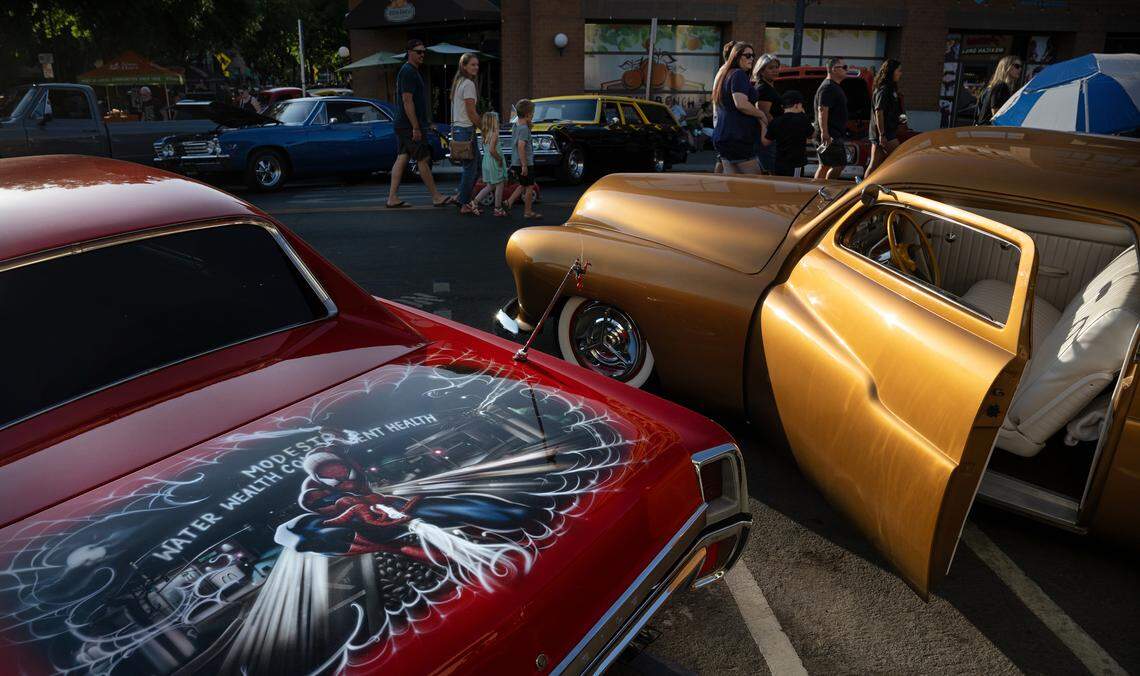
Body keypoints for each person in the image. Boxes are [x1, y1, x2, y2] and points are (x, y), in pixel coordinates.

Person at [387, 39, 454, 209]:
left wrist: (426, 122)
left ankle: (392, 197)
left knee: (402, 158)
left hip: (405, 124)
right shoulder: (408, 71)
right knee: (423, 158)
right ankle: (436, 196)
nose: (422, 54)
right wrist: (416, 127)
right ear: (409, 52)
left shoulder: (411, 71)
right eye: (419, 52)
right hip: (409, 125)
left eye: (424, 51)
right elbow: (407, 100)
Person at [711, 42, 766, 175]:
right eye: (747, 55)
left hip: (724, 137)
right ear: (736, 56)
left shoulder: (725, 74)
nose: (751, 59)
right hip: (738, 137)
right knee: (755, 184)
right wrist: (761, 115)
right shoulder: (738, 74)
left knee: (732, 185)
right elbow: (741, 103)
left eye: (753, 56)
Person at [451, 52, 483, 215]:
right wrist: (485, 128)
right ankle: (464, 203)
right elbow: (471, 112)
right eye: (472, 64)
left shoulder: (459, 82)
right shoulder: (468, 84)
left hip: (459, 130)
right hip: (466, 130)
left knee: (474, 167)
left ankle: (463, 198)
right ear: (464, 66)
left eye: (477, 65)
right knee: (471, 169)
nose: (476, 67)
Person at [866, 59, 904, 177]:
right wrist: (882, 134)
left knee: (874, 164)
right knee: (900, 159)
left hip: (888, 132)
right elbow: (879, 112)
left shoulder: (892, 89)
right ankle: (861, 190)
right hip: (884, 134)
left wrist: (902, 121)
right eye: (899, 71)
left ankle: (864, 188)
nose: (900, 73)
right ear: (891, 72)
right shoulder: (883, 90)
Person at [763, 90, 814, 177]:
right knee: (795, 186)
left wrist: (762, 123)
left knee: (781, 187)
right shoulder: (803, 119)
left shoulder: (776, 121)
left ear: (783, 107)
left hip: (779, 164)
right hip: (796, 164)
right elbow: (812, 135)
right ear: (797, 105)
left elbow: (765, 142)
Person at [504, 99, 541, 219]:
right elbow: (521, 146)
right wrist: (524, 165)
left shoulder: (516, 126)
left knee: (522, 185)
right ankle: (528, 212)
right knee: (529, 186)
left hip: (516, 161)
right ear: (528, 114)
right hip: (525, 163)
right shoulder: (524, 128)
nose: (533, 114)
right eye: (533, 113)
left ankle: (508, 203)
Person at [813, 57, 849, 180]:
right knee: (837, 165)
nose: (846, 70)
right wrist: (825, 133)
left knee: (826, 165)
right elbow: (822, 109)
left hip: (834, 133)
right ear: (834, 69)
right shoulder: (828, 87)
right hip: (830, 134)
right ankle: (824, 188)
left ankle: (817, 190)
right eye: (843, 67)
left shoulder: (834, 86)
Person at [470, 112, 510, 216]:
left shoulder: (486, 133)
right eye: (497, 120)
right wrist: (499, 159)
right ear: (493, 122)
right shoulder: (495, 133)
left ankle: (474, 203)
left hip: (487, 161)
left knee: (490, 185)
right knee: (499, 184)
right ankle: (498, 208)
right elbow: (492, 150)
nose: (498, 122)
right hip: (494, 161)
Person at [752, 53, 783, 173]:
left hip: (770, 137)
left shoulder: (769, 87)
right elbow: (764, 115)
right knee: (769, 173)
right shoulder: (763, 89)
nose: (775, 70)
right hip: (767, 139)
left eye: (776, 67)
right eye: (770, 68)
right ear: (761, 70)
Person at [712, 40, 737, 174]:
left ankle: (717, 185)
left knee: (722, 159)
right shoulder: (729, 72)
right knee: (724, 159)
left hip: (720, 121)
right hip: (725, 123)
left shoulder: (722, 70)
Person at [976, 55, 1021, 125]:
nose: (1020, 69)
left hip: (984, 129)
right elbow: (996, 114)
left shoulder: (992, 86)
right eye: (1017, 66)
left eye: (1020, 67)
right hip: (991, 131)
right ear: (1006, 67)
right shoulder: (1001, 86)